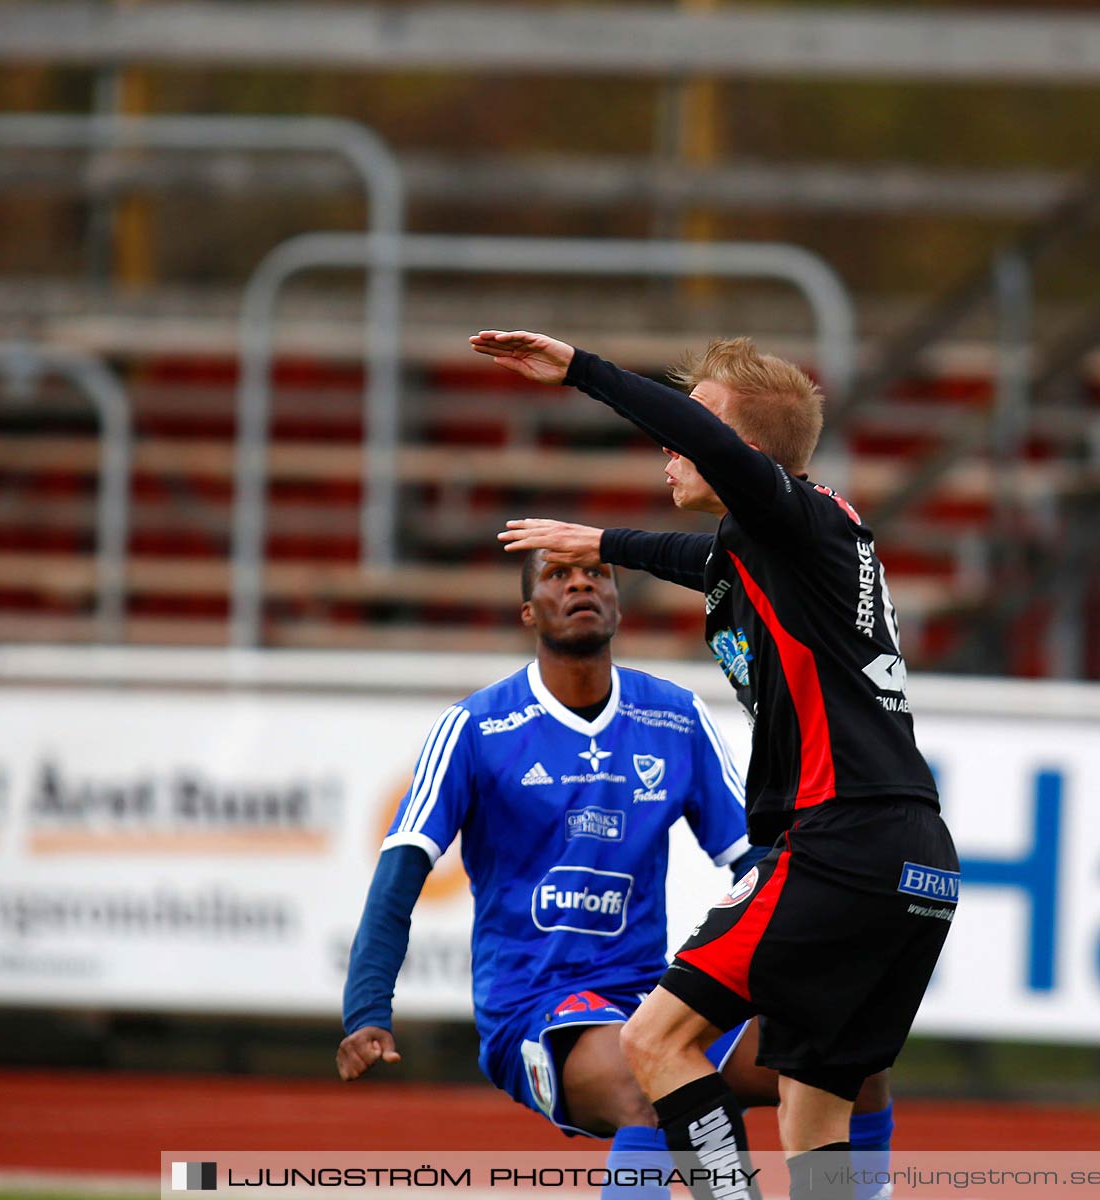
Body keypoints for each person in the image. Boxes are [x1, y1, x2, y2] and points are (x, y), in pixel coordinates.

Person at [480, 331, 957, 1200]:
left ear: (744, 450)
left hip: (836, 839)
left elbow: (708, 467)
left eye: (697, 427)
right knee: (815, 1107)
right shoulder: (794, 543)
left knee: (655, 1041)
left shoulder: (784, 514)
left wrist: (583, 371)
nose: (675, 446)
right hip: (916, 859)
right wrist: (599, 539)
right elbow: (698, 561)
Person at [337, 548, 896, 1200]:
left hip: (655, 999)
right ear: (528, 612)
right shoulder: (475, 727)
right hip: (535, 1008)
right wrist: (367, 1007)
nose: (580, 582)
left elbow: (754, 863)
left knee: (850, 1055)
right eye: (556, 575)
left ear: (618, 604)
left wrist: (803, 972)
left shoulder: (674, 717)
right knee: (649, 1085)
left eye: (595, 573)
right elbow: (402, 870)